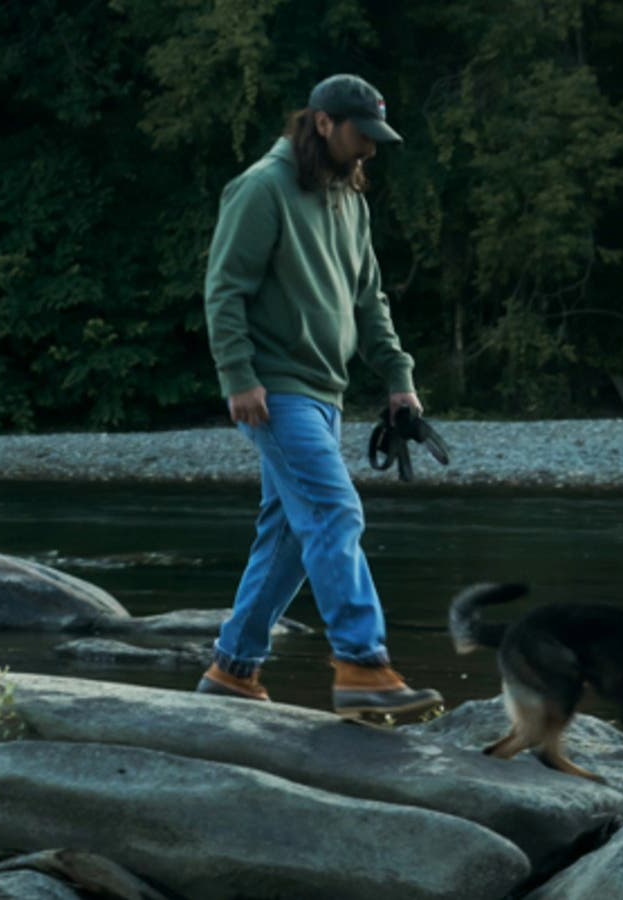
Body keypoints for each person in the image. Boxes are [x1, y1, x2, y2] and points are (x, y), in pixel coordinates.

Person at [197, 73, 442, 718]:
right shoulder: (261, 188)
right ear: (324, 123)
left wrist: (398, 378)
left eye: (376, 138)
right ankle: (362, 666)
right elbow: (225, 289)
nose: (369, 149)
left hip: (325, 391)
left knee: (286, 535)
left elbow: (369, 300)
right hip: (275, 390)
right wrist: (237, 376)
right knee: (336, 513)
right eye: (361, 135)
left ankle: (233, 669)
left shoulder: (348, 201)